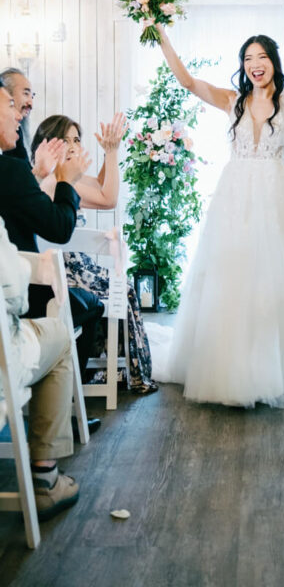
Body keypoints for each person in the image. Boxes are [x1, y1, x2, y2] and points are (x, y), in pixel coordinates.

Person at [150, 12, 284, 408]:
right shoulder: (232, 100)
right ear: (243, 64)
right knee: (233, 281)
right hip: (235, 198)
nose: (255, 64)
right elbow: (187, 80)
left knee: (276, 285)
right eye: (248, 57)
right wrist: (161, 34)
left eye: (262, 56)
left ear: (274, 61)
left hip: (277, 196)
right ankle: (234, 367)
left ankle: (277, 368)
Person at [30, 113, 157, 395]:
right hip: (69, 275)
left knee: (120, 285)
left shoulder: (63, 178)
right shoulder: (54, 182)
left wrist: (107, 154)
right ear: (49, 144)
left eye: (77, 139)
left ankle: (112, 367)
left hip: (74, 270)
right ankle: (123, 372)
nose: (74, 145)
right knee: (123, 287)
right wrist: (112, 152)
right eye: (67, 140)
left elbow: (100, 184)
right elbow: (108, 198)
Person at [0, 89, 79, 520]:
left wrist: (39, 174)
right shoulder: (7, 173)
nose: (19, 112)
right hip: (4, 346)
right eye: (10, 104)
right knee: (61, 334)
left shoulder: (17, 172)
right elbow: (11, 287)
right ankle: (46, 477)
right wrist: (60, 179)